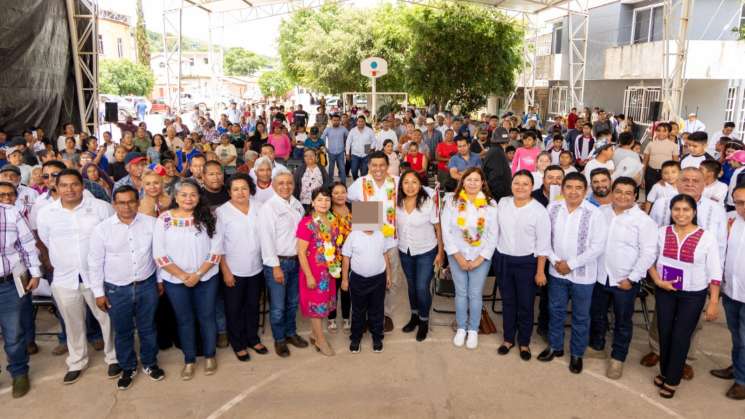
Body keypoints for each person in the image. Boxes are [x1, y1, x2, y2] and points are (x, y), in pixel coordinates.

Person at [36, 169, 119, 385]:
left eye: (74, 184)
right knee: (72, 322)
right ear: (56, 187)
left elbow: (113, 236)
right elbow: (45, 239)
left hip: (97, 277)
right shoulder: (47, 213)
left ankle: (113, 357)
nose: (69, 189)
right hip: (65, 278)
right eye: (64, 185)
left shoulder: (101, 208)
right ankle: (77, 361)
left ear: (82, 185)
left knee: (107, 319)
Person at [88, 185, 164, 390]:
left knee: (148, 328)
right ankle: (128, 367)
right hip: (116, 289)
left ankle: (149, 363)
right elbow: (95, 263)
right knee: (123, 331)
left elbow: (158, 255)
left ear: (138, 202)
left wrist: (159, 280)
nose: (127, 206)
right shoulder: (102, 229)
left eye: (131, 201)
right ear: (114, 204)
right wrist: (98, 293)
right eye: (121, 202)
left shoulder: (152, 224)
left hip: (146, 285)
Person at [648, 194, 721, 398]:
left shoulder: (707, 237)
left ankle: (672, 379)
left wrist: (713, 301)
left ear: (694, 212)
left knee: (681, 336)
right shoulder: (662, 232)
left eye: (685, 210)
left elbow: (715, 271)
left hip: (693, 294)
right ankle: (664, 372)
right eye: (676, 209)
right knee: (665, 331)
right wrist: (657, 281)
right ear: (671, 212)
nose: (681, 214)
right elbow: (649, 259)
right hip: (665, 290)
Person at [587, 177, 658, 379]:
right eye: (618, 191)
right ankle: (596, 346)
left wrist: (633, 277)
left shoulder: (643, 221)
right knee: (597, 314)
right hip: (600, 276)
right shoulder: (600, 213)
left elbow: (648, 253)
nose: (622, 196)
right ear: (611, 192)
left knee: (622, 321)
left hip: (624, 280)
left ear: (635, 195)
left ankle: (618, 358)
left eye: (628, 193)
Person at [153, 179, 222, 380]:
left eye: (193, 194)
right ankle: (189, 360)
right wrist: (183, 276)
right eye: (183, 194)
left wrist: (198, 274)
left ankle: (209, 355)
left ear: (199, 197)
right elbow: (160, 255)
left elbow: (216, 251)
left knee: (207, 317)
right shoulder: (164, 219)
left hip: (206, 277)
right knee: (184, 320)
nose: (188, 198)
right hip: (176, 281)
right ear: (175, 197)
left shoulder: (209, 216)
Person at [538, 172, 607, 374]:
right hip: (557, 271)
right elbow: (544, 239)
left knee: (580, 316)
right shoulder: (552, 208)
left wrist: (571, 264)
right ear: (562, 189)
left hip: (583, 275)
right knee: (556, 311)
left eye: (579, 188)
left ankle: (577, 354)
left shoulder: (594, 213)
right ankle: (555, 346)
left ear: (586, 191)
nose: (573, 191)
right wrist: (554, 260)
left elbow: (597, 247)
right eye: (569, 187)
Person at [495, 170, 550, 360]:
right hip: (503, 260)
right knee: (508, 302)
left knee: (526, 304)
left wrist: (540, 271)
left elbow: (543, 244)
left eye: (525, 184)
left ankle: (524, 342)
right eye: (517, 183)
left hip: (527, 263)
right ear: (511, 184)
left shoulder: (539, 211)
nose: (520, 187)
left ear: (532, 186)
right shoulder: (502, 203)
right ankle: (508, 338)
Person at [441, 167, 498, 349]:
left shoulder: (491, 204)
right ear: (462, 181)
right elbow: (446, 231)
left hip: (480, 257)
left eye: (476, 180)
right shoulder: (452, 201)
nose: (472, 183)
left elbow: (493, 234)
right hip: (457, 254)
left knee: (474, 293)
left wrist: (479, 259)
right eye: (469, 179)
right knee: (461, 293)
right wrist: (457, 256)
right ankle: (461, 328)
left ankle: (473, 329)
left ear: (482, 183)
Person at [215, 173, 268, 361]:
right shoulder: (222, 212)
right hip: (234, 270)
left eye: (244, 188)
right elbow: (218, 245)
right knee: (234, 308)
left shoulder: (260, 207)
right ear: (228, 191)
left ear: (250, 189)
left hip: (256, 268)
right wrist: (226, 271)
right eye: (235, 189)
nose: (240, 192)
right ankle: (238, 343)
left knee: (253, 305)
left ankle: (252, 339)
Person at [347, 151, 402, 332]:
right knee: (363, 277)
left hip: (390, 240)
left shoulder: (396, 182)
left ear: (388, 166)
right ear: (369, 166)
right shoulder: (360, 183)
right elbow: (348, 200)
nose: (378, 169)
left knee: (389, 280)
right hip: (365, 241)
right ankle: (361, 316)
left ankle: (384, 314)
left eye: (382, 165)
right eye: (374, 165)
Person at [258, 170, 309, 357]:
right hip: (278, 263)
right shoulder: (268, 208)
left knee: (292, 302)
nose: (285, 186)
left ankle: (290, 333)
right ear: (273, 185)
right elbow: (266, 239)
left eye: (289, 183)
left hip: (297, 262)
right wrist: (275, 267)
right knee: (278, 307)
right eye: (281, 183)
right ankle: (279, 339)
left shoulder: (297, 205)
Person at [0, 189, 41, 398]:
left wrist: (35, 273)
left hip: (7, 284)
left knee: (13, 333)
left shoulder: (11, 213)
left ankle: (19, 373)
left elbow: (28, 246)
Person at [396, 169, 444, 342]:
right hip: (405, 251)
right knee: (411, 286)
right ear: (401, 185)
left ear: (420, 184)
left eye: (414, 182)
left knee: (421, 287)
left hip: (426, 251)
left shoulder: (428, 202)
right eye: (406, 182)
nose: (410, 186)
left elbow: (438, 228)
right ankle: (414, 315)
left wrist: (440, 252)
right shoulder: (397, 202)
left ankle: (424, 320)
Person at [296, 186, 340, 356]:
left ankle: (315, 335)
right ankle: (321, 340)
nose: (324, 203)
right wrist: (308, 275)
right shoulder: (307, 223)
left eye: (327, 199)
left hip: (328, 273)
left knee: (325, 306)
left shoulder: (332, 219)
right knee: (317, 307)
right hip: (313, 272)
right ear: (312, 202)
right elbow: (300, 251)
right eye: (320, 199)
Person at [341, 220, 394, 354]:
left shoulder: (380, 235)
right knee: (358, 310)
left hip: (378, 279)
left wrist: (388, 274)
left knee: (377, 309)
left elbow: (385, 255)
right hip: (358, 280)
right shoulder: (354, 235)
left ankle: (377, 337)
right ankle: (355, 338)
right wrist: (345, 279)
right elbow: (346, 257)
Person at [713, 185, 745, 399]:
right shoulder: (730, 219)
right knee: (736, 335)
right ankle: (737, 367)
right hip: (731, 290)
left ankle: (742, 381)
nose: (742, 207)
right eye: (739, 202)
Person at [328, 182, 352, 332]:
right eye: (336, 193)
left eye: (343, 192)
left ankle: (346, 317)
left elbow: (371, 231)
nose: (340, 195)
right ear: (331, 195)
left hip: (351, 257)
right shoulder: (325, 211)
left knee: (347, 288)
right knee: (332, 289)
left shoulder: (356, 208)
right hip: (331, 258)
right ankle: (331, 318)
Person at [643, 123, 680, 190]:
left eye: (664, 131)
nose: (661, 133)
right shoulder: (650, 144)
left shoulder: (673, 145)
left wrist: (676, 177)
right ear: (656, 131)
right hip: (651, 173)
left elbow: (676, 163)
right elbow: (645, 162)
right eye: (659, 130)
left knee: (664, 194)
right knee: (650, 194)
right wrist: (642, 176)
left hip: (667, 174)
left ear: (669, 132)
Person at [321, 114, 349, 185]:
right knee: (331, 169)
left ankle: (343, 184)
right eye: (334, 120)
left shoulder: (343, 129)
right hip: (331, 152)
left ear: (339, 121)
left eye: (337, 120)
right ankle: (330, 183)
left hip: (340, 152)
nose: (335, 122)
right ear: (331, 121)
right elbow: (322, 139)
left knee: (342, 168)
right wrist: (325, 147)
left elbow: (349, 138)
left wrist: (346, 147)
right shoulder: (328, 129)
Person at [346, 115, 375, 180]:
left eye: (362, 121)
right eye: (359, 121)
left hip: (366, 154)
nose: (360, 123)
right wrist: (347, 153)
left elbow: (374, 141)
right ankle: (356, 180)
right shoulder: (352, 131)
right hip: (355, 154)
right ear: (357, 122)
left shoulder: (369, 130)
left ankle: (362, 183)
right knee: (354, 170)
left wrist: (371, 148)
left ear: (365, 122)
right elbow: (348, 142)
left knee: (364, 172)